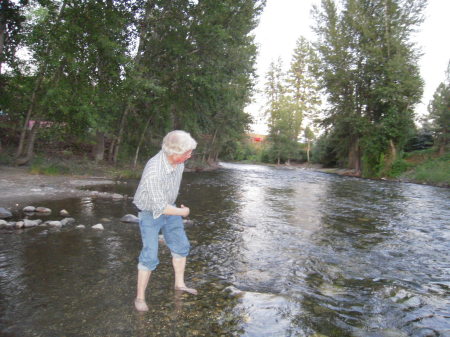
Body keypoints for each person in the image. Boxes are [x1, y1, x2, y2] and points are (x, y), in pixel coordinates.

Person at [133, 130, 198, 312]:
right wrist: (183, 212)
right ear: (174, 154)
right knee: (150, 255)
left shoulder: (180, 163)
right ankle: (139, 298)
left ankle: (179, 284)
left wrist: (175, 210)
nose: (190, 155)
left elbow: (166, 202)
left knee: (181, 246)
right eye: (187, 153)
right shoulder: (153, 170)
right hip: (149, 212)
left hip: (170, 207)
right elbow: (159, 207)